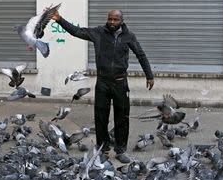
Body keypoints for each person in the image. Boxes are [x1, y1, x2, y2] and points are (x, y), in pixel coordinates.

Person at [52, 9, 154, 163]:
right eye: (110, 19)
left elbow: (141, 54)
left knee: (122, 118)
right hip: (103, 83)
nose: (112, 22)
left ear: (122, 21)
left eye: (115, 20)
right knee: (101, 118)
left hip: (120, 83)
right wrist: (59, 19)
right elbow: (77, 31)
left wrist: (149, 75)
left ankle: (120, 151)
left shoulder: (129, 36)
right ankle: (103, 150)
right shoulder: (98, 33)